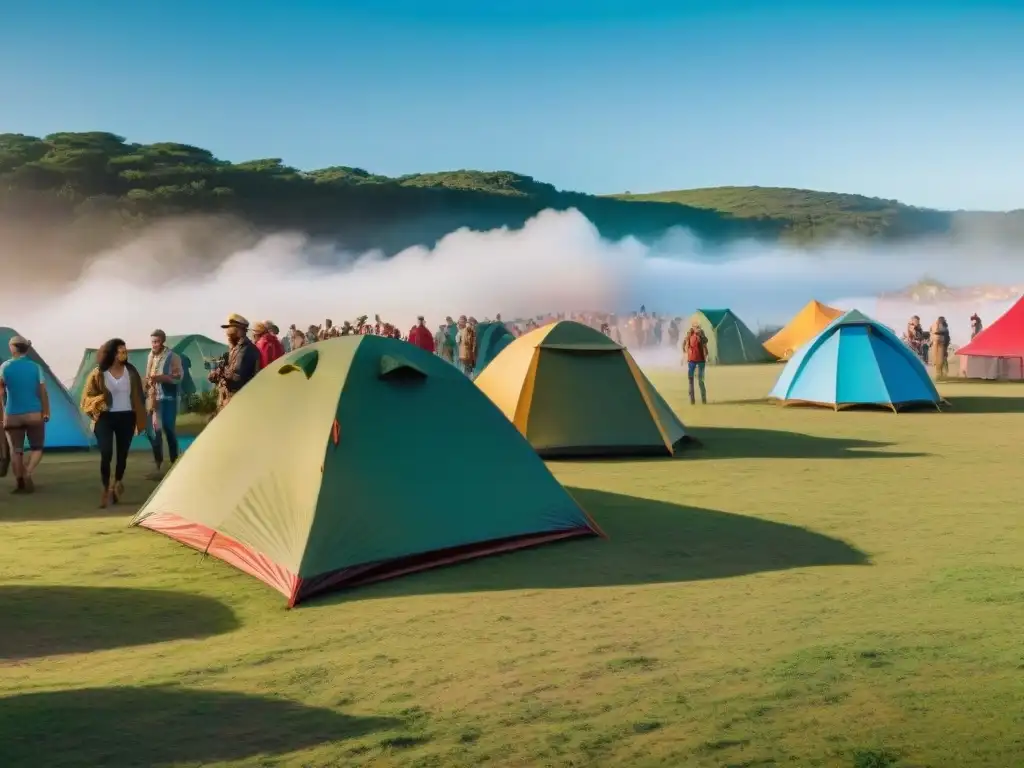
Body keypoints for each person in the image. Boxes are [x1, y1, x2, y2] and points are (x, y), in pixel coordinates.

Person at [80, 338, 147, 508]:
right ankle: (106, 488)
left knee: (122, 453)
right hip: (105, 417)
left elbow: (139, 395)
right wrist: (101, 399)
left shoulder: (131, 371)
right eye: (121, 351)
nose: (125, 353)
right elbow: (86, 398)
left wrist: (142, 414)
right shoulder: (98, 373)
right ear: (112, 354)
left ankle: (117, 482)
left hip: (127, 416)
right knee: (106, 452)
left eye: (125, 351)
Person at [0, 335, 50, 494]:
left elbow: (0, 392)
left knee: (16, 451)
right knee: (37, 447)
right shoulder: (36, 367)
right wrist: (46, 411)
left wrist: (2, 413)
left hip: (12, 414)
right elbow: (42, 391)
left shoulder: (4, 367)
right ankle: (28, 472)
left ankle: (19, 482)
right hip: (34, 413)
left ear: (14, 348)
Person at [144, 329, 184, 478]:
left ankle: (175, 463)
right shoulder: (150, 356)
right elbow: (148, 376)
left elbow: (179, 377)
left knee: (169, 430)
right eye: (152, 342)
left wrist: (162, 378)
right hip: (154, 400)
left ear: (162, 341)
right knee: (155, 431)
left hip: (168, 399)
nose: (154, 344)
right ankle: (158, 466)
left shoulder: (173, 357)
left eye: (156, 341)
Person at [208, 314, 261, 414]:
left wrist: (224, 373)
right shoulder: (234, 349)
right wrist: (216, 374)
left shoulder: (247, 350)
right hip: (227, 398)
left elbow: (240, 378)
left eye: (230, 330)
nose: (227, 334)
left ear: (240, 330)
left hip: (239, 399)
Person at [682, 322, 709, 405]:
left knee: (700, 380)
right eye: (696, 327)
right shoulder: (689, 335)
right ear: (693, 328)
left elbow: (705, 342)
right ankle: (692, 400)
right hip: (691, 361)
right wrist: (685, 352)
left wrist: (700, 335)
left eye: (698, 327)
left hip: (701, 361)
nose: (697, 328)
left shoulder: (702, 336)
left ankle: (704, 400)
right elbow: (684, 343)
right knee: (691, 381)